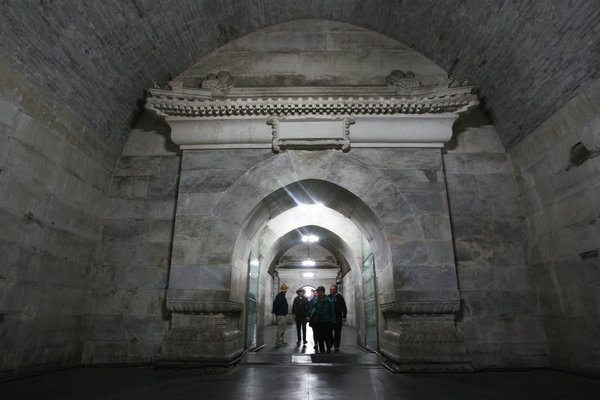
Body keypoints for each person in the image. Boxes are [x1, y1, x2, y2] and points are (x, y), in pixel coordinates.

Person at [309, 286, 336, 353]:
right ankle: (322, 350)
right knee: (319, 336)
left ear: (323, 292)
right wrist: (310, 317)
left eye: (320, 292)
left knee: (327, 336)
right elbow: (311, 310)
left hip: (327, 321)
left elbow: (332, 310)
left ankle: (328, 348)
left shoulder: (328, 301)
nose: (319, 294)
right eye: (318, 292)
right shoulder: (315, 301)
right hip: (318, 321)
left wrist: (333, 319)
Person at [328, 284, 347, 352]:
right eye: (330, 289)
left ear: (336, 290)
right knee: (329, 331)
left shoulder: (340, 297)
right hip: (330, 317)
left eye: (332, 289)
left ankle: (336, 346)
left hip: (338, 317)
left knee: (337, 332)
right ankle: (330, 343)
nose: (331, 291)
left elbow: (343, 307)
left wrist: (344, 316)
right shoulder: (328, 297)